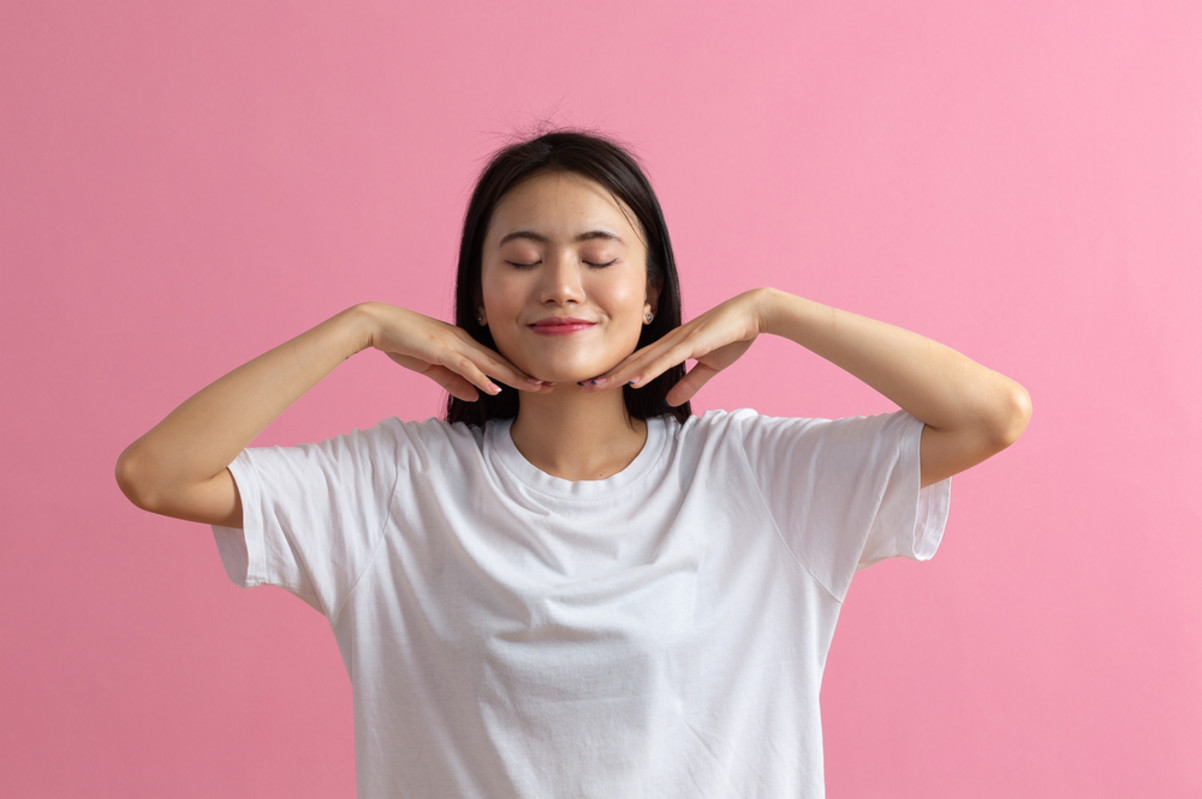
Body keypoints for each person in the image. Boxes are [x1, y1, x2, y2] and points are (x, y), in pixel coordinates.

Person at [116, 130, 1030, 798]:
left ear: (652, 294)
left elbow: (992, 414)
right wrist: (361, 326)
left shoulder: (756, 475)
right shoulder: (395, 486)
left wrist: (773, 310)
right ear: (478, 294)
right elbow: (158, 473)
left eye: (598, 258)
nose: (559, 285)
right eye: (521, 260)